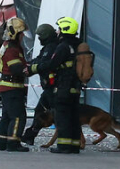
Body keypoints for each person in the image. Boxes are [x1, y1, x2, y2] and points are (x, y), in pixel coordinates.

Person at [34, 17, 84, 154]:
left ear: (64, 29)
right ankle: (74, 145)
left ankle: (64, 146)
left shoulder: (63, 47)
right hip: (76, 88)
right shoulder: (79, 45)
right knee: (73, 117)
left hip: (63, 88)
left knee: (63, 117)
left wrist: (35, 68)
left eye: (59, 29)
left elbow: (51, 64)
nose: (57, 32)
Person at [0, 17, 30, 152]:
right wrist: (32, 68)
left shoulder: (7, 46)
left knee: (7, 116)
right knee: (18, 116)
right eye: (21, 33)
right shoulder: (12, 49)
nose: (23, 36)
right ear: (15, 33)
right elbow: (17, 69)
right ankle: (13, 143)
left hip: (7, 87)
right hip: (12, 88)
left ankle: (2, 142)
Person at [22, 23, 59, 145]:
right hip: (51, 88)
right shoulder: (49, 46)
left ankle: (30, 136)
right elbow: (39, 59)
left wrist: (31, 68)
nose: (39, 39)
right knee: (42, 112)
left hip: (53, 88)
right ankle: (29, 136)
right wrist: (28, 64)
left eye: (41, 36)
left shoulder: (52, 47)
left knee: (43, 112)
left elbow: (44, 64)